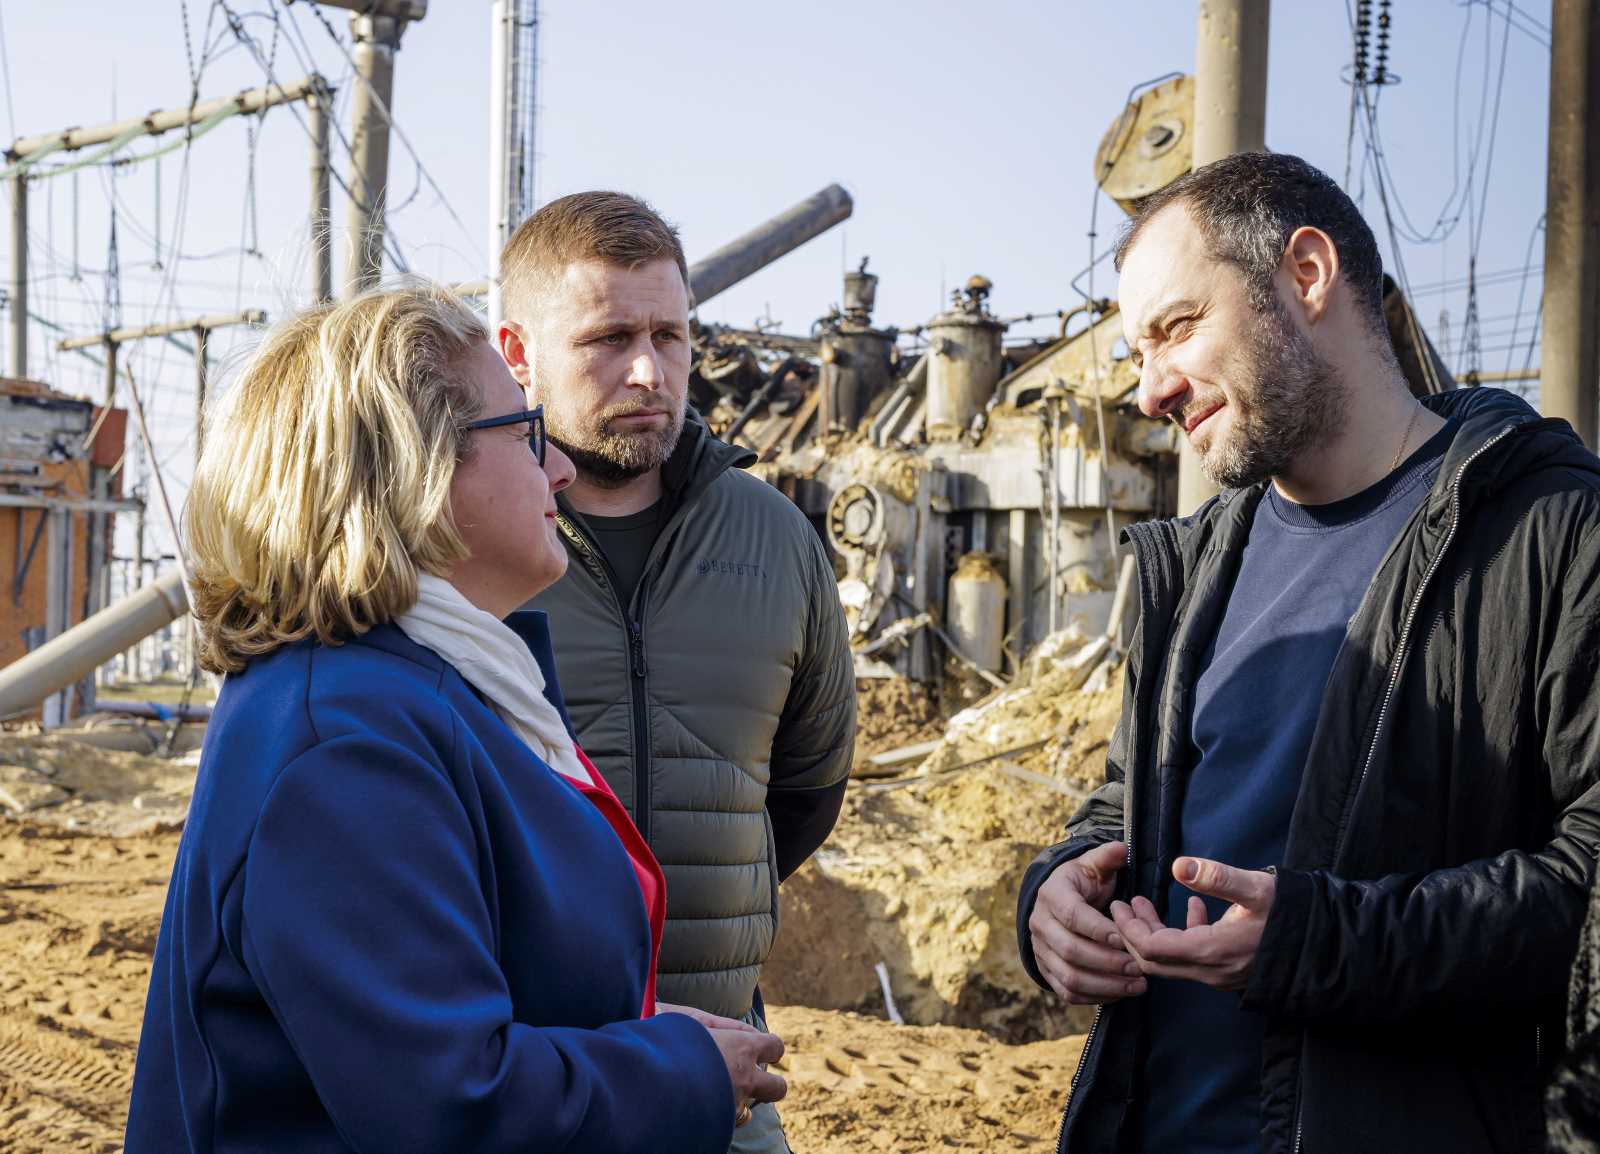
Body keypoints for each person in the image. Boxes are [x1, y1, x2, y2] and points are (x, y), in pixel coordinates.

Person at [1015, 152, 1600, 1153]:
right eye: (1135, 353)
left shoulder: (1553, 532)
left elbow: (1584, 890)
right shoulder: (1194, 569)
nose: (1149, 390)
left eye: (1174, 327)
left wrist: (1317, 942)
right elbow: (1131, 795)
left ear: (1308, 272)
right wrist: (1058, 887)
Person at [125, 286, 785, 1153]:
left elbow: (449, 994)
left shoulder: (431, 692)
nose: (560, 470)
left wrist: (627, 1023)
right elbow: (448, 1108)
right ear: (414, 470)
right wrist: (680, 1072)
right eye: (526, 434)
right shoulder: (345, 746)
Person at [497, 191, 856, 1153]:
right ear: (518, 352)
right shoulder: (473, 544)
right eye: (609, 338)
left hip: (725, 1089)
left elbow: (808, 787)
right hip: (529, 1081)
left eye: (671, 334)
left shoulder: (775, 539)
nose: (651, 371)